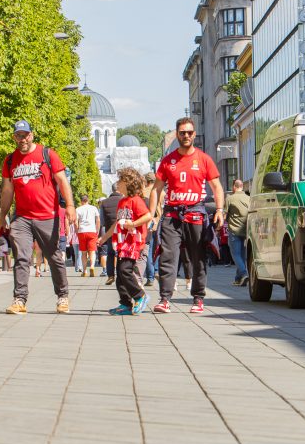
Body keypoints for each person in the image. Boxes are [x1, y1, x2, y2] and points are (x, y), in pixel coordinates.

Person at [149, 116, 225, 314]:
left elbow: (216, 186)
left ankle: (198, 298)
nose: (186, 136)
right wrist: (151, 215)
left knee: (198, 257)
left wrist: (219, 210)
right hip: (172, 215)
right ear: (177, 134)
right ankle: (165, 299)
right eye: (182, 132)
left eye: (189, 132)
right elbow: (156, 189)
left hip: (196, 213)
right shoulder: (168, 161)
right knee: (167, 256)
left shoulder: (204, 159)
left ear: (194, 134)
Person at [0, 120, 75, 314]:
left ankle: (63, 296)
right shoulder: (10, 160)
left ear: (31, 135)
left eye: (25, 135)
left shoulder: (47, 155)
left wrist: (71, 206)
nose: (22, 139)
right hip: (22, 217)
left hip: (47, 215)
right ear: (14, 137)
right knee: (21, 256)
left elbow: (62, 181)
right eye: (18, 135)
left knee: (53, 256)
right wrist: (2, 215)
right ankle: (19, 299)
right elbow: (7, 191)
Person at [98, 168, 152, 315]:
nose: (118, 183)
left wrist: (133, 224)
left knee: (124, 270)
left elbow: (147, 216)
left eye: (121, 180)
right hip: (123, 244)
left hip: (133, 243)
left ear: (128, 183)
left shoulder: (136, 200)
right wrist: (104, 238)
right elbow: (117, 223)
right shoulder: (122, 202)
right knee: (120, 273)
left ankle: (140, 296)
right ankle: (125, 304)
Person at [224, 179, 250, 286]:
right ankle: (238, 279)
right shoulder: (249, 198)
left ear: (234, 187)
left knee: (235, 254)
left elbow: (225, 214)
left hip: (234, 230)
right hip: (246, 230)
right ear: (242, 187)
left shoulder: (230, 198)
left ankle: (244, 274)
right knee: (242, 255)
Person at [99, 183, 122, 285]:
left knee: (110, 253)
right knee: (121, 253)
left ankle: (110, 276)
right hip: (123, 231)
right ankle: (121, 275)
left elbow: (102, 221)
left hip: (109, 232)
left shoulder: (104, 203)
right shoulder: (124, 200)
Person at [75, 194, 100, 276]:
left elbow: (76, 222)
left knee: (84, 252)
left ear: (81, 201)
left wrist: (77, 231)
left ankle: (84, 271)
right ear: (88, 200)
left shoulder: (78, 209)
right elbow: (98, 220)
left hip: (82, 231)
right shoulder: (94, 208)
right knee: (92, 251)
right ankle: (92, 266)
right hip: (92, 231)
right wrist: (97, 230)